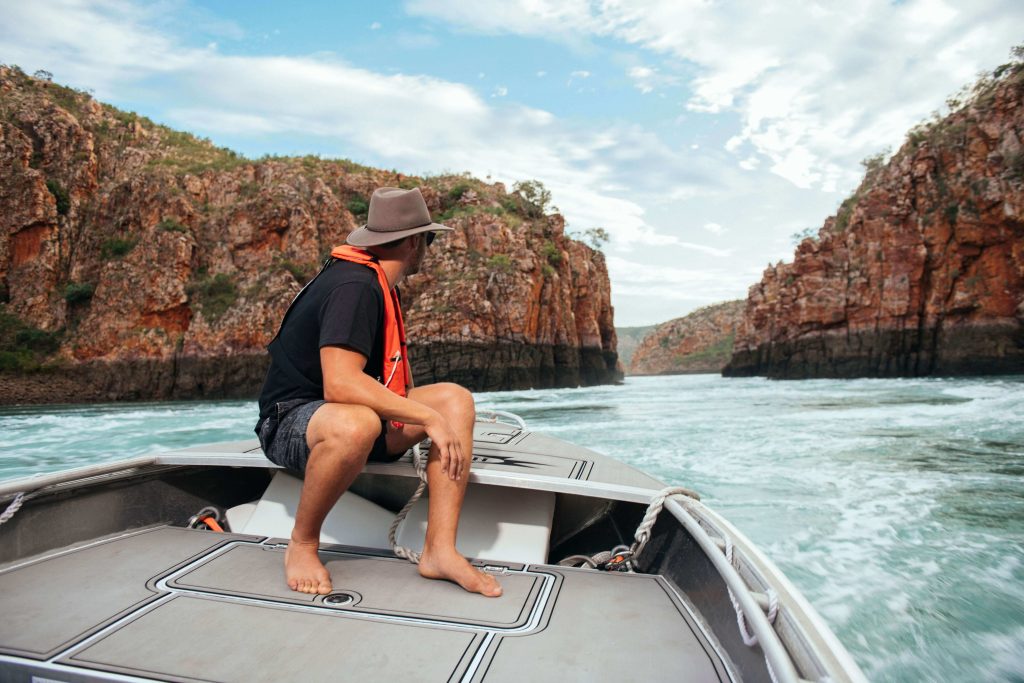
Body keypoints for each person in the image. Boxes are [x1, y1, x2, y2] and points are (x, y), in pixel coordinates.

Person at [254, 186, 502, 598]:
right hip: (290, 421)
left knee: (453, 400)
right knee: (358, 422)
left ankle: (439, 551)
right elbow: (341, 383)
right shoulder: (354, 286)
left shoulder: (378, 282)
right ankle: (302, 544)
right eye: (428, 238)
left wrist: (435, 413)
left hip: (351, 418)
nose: (428, 247)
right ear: (410, 242)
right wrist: (427, 418)